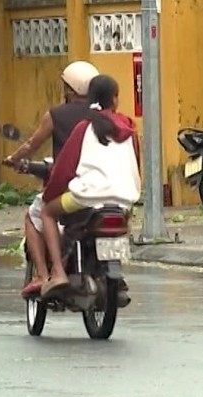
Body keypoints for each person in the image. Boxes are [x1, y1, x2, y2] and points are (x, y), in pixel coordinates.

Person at [39, 74, 141, 299]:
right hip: (124, 197)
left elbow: (64, 169)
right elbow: (136, 164)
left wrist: (50, 193)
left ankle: (58, 273)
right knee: (125, 220)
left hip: (85, 197)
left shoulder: (84, 128)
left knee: (47, 212)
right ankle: (116, 268)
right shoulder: (129, 128)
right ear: (114, 100)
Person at [3, 61, 99, 297]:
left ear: (69, 89)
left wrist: (14, 159)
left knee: (37, 214)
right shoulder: (105, 116)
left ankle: (46, 274)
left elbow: (31, 145)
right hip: (105, 190)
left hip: (72, 190)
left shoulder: (56, 115)